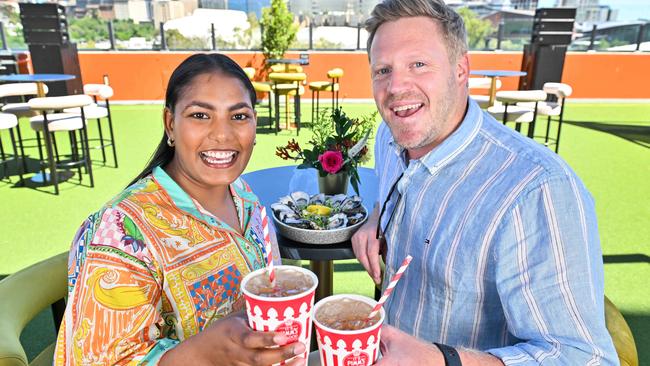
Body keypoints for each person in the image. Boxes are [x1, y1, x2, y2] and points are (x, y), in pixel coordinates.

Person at [351, 0, 618, 365]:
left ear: (461, 69)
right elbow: (396, 184)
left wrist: (443, 361)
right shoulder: (390, 136)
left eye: (418, 64)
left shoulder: (538, 190)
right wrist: (376, 216)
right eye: (383, 70)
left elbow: (586, 358)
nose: (396, 86)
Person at [53, 53, 306, 366]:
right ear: (170, 124)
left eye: (239, 116)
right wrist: (203, 353)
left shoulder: (246, 197)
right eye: (201, 115)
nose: (223, 134)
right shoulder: (121, 232)